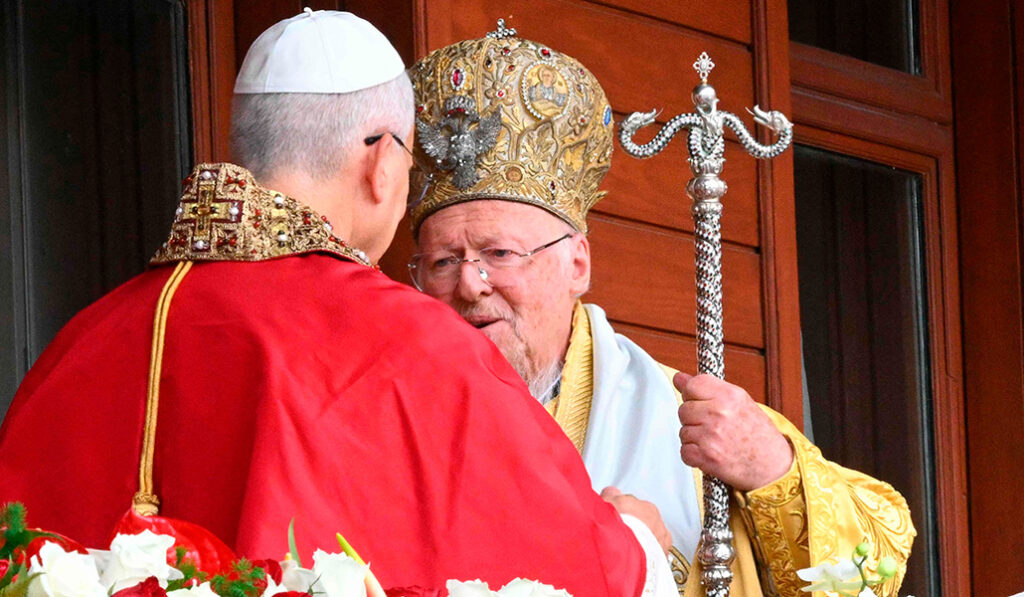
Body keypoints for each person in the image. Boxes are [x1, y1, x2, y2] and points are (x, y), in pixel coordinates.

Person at [0, 10, 678, 596]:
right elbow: (572, 567)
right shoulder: (420, 346)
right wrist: (637, 542)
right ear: (381, 162)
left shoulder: (79, 345)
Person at [408, 23, 916, 597]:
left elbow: (875, 558)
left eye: (499, 253)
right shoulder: (389, 421)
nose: (470, 284)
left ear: (577, 265)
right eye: (443, 262)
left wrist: (772, 469)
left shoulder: (687, 424)